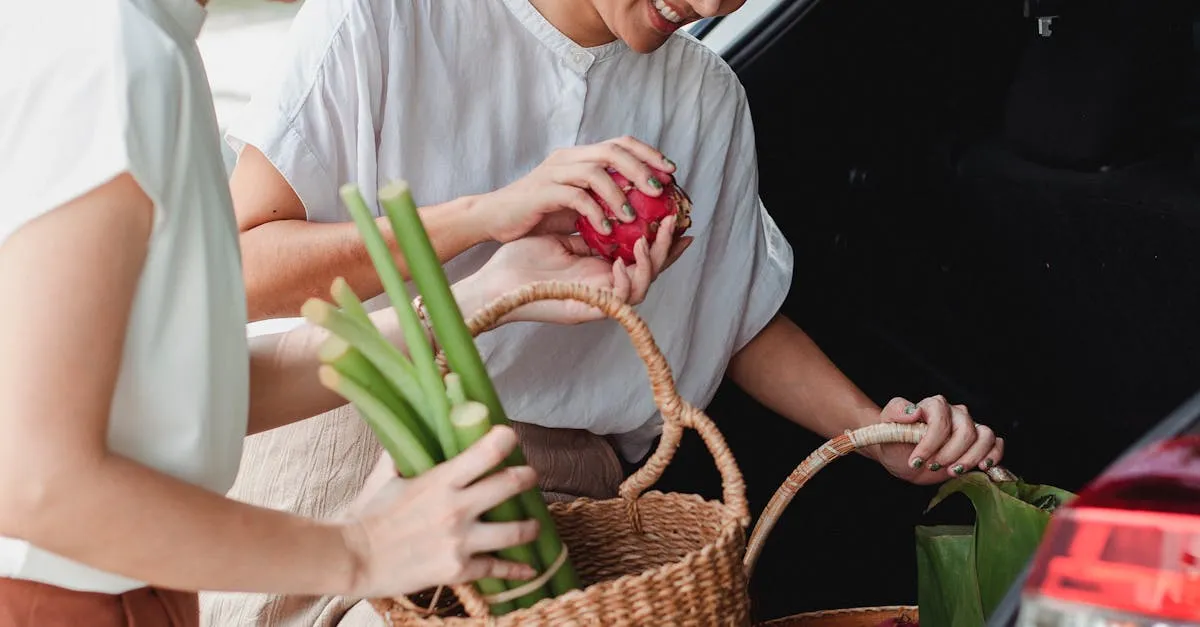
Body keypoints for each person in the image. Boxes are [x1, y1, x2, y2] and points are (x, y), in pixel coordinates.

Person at [206, 0, 1008, 624]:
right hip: (352, 431)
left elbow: (734, 317)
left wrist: (873, 431)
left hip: (564, 491)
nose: (714, 6)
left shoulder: (706, 96)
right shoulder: (391, 20)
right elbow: (236, 265)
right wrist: (486, 215)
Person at [0, 1, 673, 625]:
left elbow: (177, 383)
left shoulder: (132, 43)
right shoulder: (111, 55)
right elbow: (34, 479)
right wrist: (362, 550)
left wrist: (483, 294)